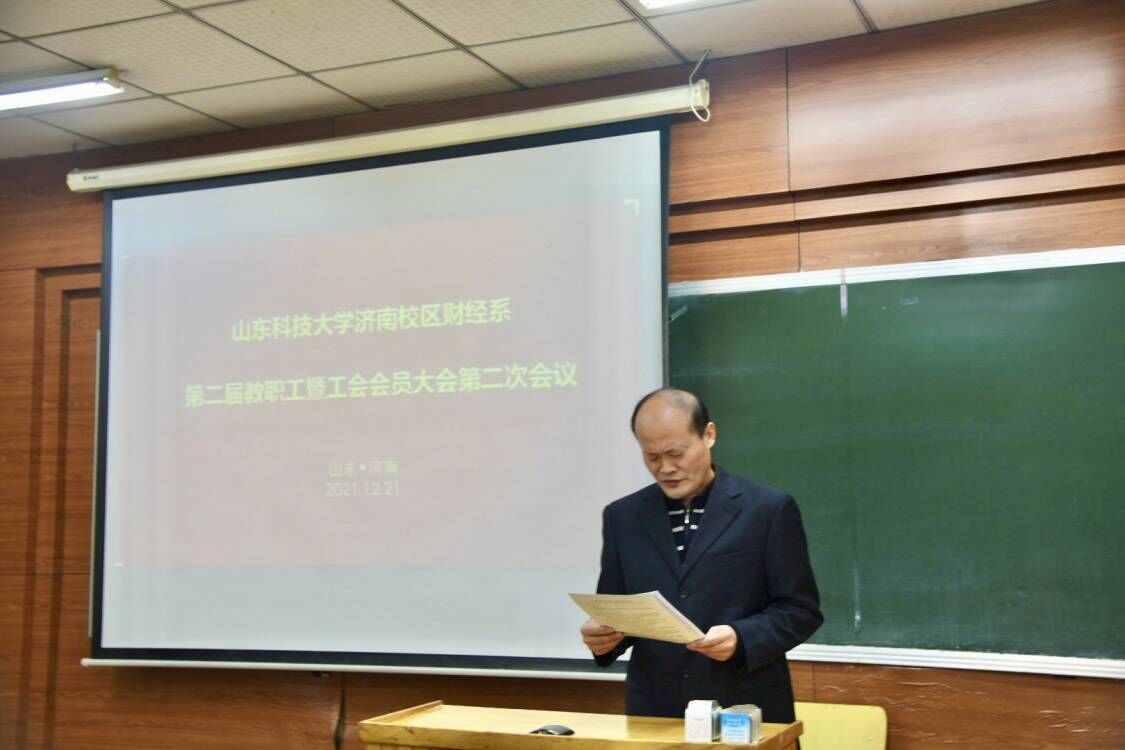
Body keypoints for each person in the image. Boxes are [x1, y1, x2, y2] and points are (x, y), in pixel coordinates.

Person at [580, 388, 822, 720]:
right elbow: (618, 610)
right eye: (651, 457)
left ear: (709, 435)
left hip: (744, 707)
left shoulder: (767, 509)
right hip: (656, 711)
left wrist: (741, 637)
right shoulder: (622, 517)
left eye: (676, 453)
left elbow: (800, 610)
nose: (665, 468)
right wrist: (603, 637)